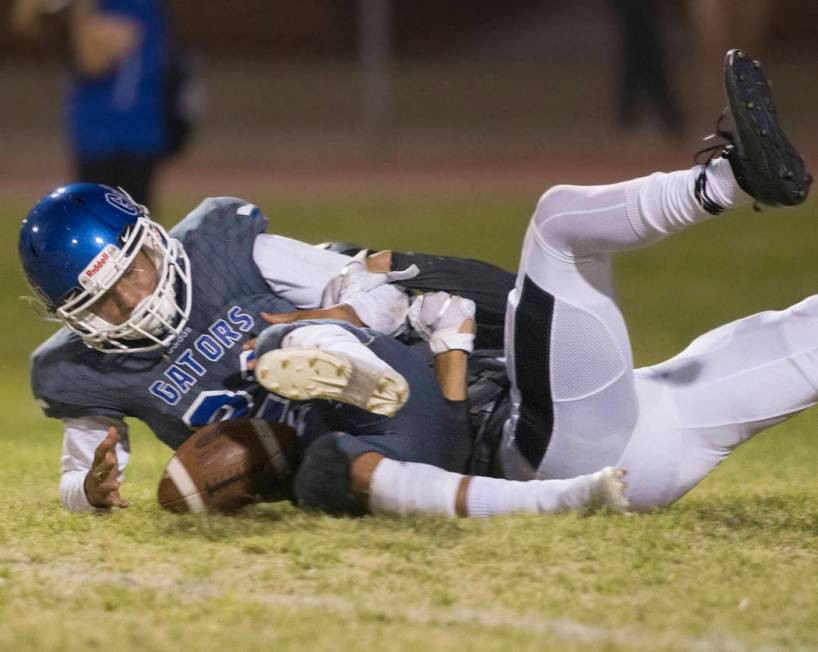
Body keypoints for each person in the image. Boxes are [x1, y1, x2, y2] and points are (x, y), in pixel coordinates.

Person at [250, 49, 814, 515]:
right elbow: (433, 471)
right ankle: (728, 180)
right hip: (546, 454)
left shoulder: (392, 325)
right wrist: (565, 495)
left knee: (798, 337)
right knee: (557, 226)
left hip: (638, 433)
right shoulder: (330, 435)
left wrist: (410, 270)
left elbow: (505, 293)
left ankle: (732, 179)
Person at [19, 183, 625, 517]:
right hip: (309, 449)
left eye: (134, 271)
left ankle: (355, 364)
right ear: (71, 314)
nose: (133, 299)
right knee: (327, 469)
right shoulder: (75, 371)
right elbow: (78, 478)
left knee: (288, 336)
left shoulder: (223, 247)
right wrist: (92, 492)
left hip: (389, 374)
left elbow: (376, 295)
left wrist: (314, 320)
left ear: (152, 240)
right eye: (102, 301)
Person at [10, 0, 187, 209]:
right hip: (95, 132)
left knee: (126, 227)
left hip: (129, 134)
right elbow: (25, 20)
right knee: (95, 223)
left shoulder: (132, 5)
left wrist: (78, 10)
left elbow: (92, 60)